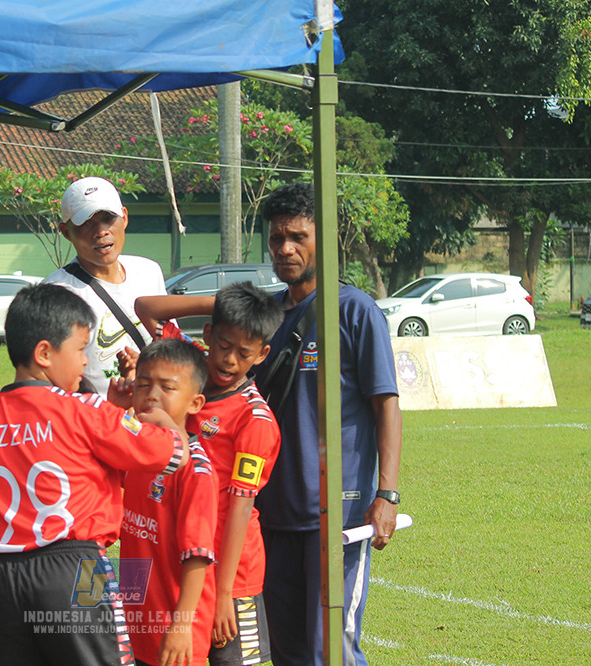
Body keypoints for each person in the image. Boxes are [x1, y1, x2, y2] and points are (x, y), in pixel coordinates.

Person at [0, 283, 191, 666]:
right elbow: (173, 455)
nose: (85, 362)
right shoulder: (87, 410)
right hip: (77, 567)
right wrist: (166, 422)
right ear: (44, 354)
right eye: (81, 349)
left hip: (1, 581)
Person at [254, 183, 402, 666]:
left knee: (332, 649)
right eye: (277, 238)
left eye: (298, 237)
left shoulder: (354, 310)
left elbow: (386, 406)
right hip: (271, 514)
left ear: (326, 238)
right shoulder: (265, 316)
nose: (285, 249)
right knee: (286, 651)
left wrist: (387, 494)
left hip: (338, 517)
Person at [137, 282, 283, 666]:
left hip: (232, 576)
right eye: (223, 344)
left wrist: (225, 594)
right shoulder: (188, 370)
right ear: (208, 334)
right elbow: (145, 308)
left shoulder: (254, 419)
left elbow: (241, 507)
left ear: (262, 355)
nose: (229, 359)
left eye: (244, 352)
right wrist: (219, 304)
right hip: (177, 563)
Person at [119, 340, 217, 666]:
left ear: (195, 402)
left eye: (167, 387)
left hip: (177, 627)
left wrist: (181, 625)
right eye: (143, 384)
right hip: (139, 619)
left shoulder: (195, 470)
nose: (151, 395)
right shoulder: (137, 453)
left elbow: (198, 556)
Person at [43, 176, 168, 395]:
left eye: (108, 218)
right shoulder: (56, 293)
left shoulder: (148, 272)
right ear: (66, 232)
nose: (101, 232)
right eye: (86, 223)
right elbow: (53, 382)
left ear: (125, 217)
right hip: (94, 415)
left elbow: (170, 344)